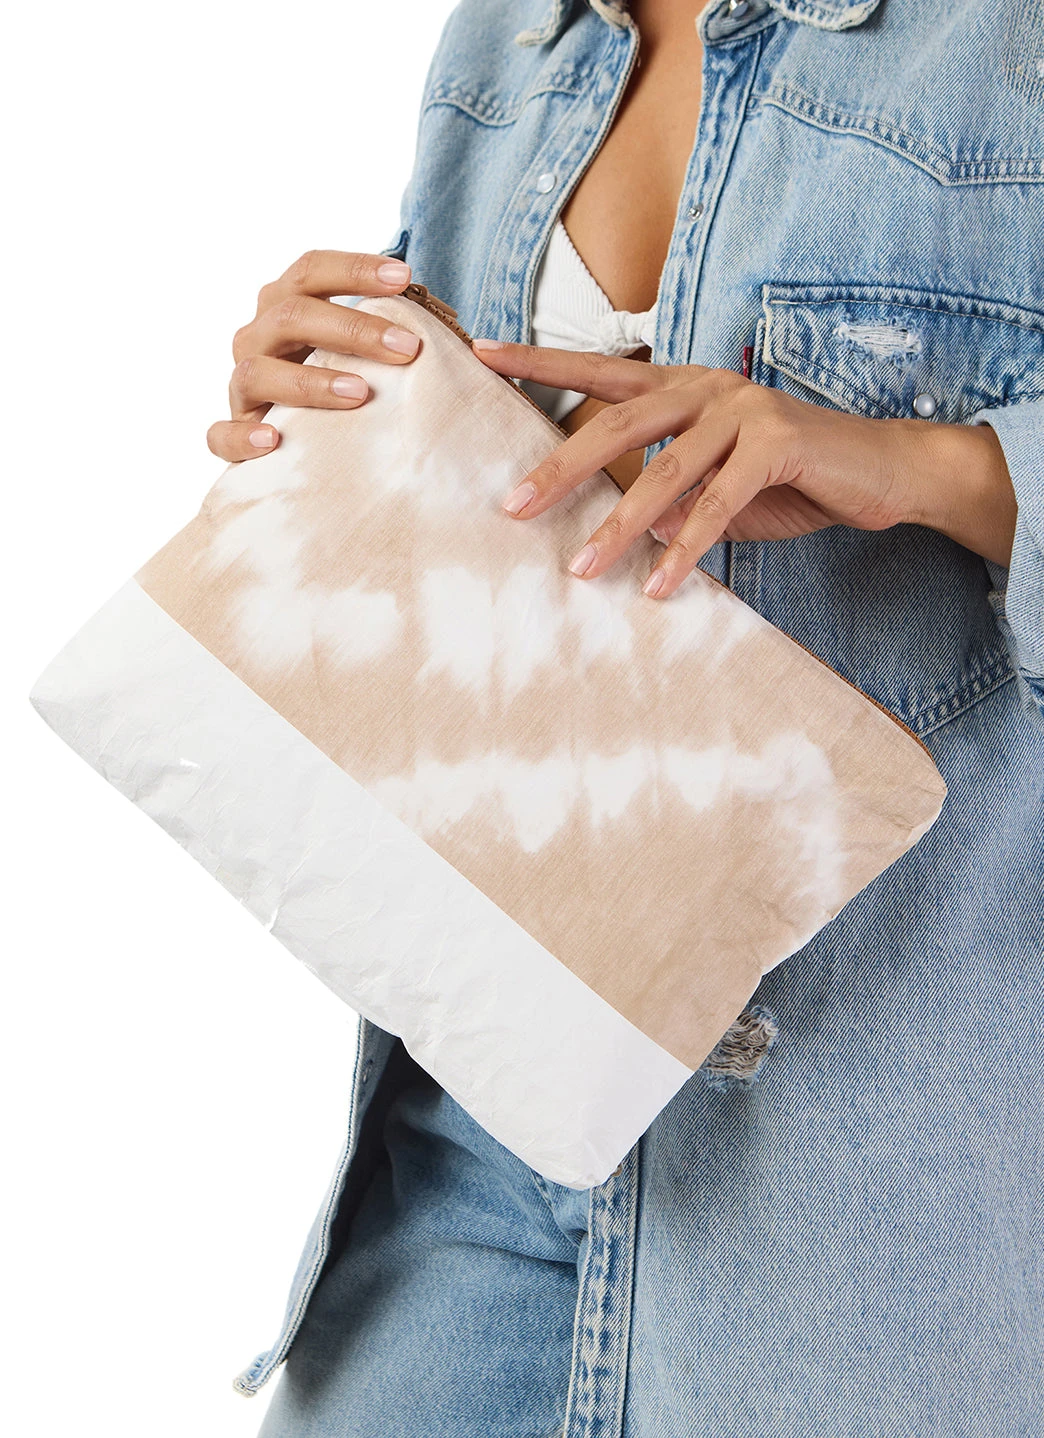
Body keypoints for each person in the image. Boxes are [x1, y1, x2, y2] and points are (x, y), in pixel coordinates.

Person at [212, 1, 1044, 1433]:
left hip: (866, 1172)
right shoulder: (508, 39)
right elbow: (490, 551)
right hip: (476, 1123)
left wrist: (924, 466)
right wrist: (336, 410)